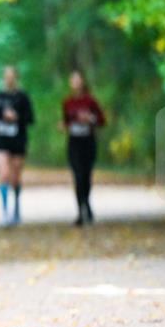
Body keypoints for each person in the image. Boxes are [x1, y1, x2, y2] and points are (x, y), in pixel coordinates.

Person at [60, 69, 106, 226]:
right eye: (73, 80)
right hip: (74, 142)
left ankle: (87, 203)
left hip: (88, 141)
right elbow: (65, 121)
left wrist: (90, 119)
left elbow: (101, 120)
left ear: (82, 81)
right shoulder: (67, 102)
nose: (76, 83)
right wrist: (64, 126)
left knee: (86, 175)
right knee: (77, 175)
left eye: (78, 79)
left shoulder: (90, 101)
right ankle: (81, 210)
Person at [0, 65, 34, 225]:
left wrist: (16, 117)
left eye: (12, 76)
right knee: (3, 175)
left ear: (16, 77)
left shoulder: (23, 97)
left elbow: (30, 119)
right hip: (1, 141)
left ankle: (16, 207)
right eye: (6, 76)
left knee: (15, 177)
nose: (9, 79)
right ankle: (4, 211)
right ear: (3, 78)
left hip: (18, 141)